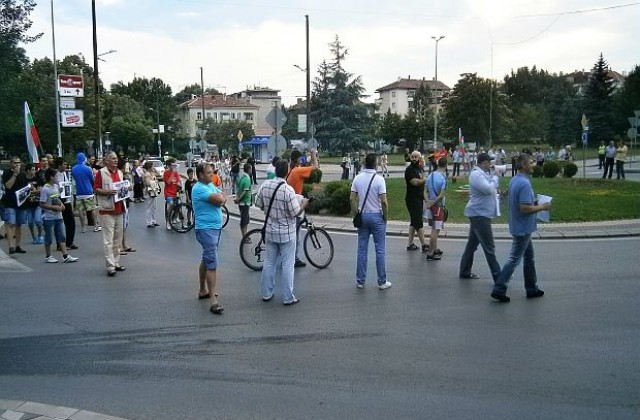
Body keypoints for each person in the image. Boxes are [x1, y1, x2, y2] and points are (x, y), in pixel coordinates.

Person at [491, 154, 551, 303]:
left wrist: (534, 201)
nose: (534, 165)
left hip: (520, 225)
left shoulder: (515, 180)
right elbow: (524, 208)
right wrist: (542, 206)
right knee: (514, 259)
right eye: (531, 162)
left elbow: (521, 202)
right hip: (523, 227)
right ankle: (499, 288)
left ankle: (532, 288)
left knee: (529, 258)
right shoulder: (524, 183)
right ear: (523, 165)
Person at [255, 160, 308, 305]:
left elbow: (257, 203)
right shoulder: (287, 190)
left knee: (269, 262)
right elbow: (295, 213)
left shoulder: (265, 185)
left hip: (270, 231)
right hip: (287, 233)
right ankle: (288, 297)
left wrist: (269, 211)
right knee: (288, 265)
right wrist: (303, 204)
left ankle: (266, 293)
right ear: (287, 172)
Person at [350, 153, 391, 290]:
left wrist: (356, 214)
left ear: (364, 163)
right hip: (376, 216)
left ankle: (360, 281)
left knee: (362, 249)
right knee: (380, 249)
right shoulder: (379, 180)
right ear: (375, 164)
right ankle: (382, 281)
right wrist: (385, 216)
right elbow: (384, 201)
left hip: (363, 216)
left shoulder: (357, 178)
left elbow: (352, 198)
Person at [458, 153, 501, 281]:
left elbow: (490, 186)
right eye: (489, 162)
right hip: (480, 215)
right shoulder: (476, 174)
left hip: (480, 213)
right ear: (483, 163)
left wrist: (493, 176)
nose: (490, 164)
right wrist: (495, 178)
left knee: (472, 245)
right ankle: (499, 277)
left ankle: (464, 271)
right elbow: (488, 189)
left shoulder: (482, 174)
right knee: (489, 247)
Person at [192, 162, 227, 314]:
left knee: (206, 259)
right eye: (208, 173)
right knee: (212, 264)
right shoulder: (199, 188)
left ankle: (202, 290)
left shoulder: (210, 185)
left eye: (212, 172)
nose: (211, 175)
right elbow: (220, 200)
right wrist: (219, 200)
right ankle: (213, 300)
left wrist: (220, 199)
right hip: (206, 229)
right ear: (200, 175)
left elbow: (222, 196)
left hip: (214, 228)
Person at [94, 152, 126, 277]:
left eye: (116, 159)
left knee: (117, 239)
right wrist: (107, 192)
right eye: (112, 158)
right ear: (106, 161)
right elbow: (96, 189)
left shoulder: (119, 172)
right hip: (107, 210)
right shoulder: (101, 173)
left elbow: (121, 187)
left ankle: (116, 262)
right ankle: (110, 266)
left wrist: (126, 189)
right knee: (108, 240)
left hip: (119, 208)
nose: (115, 160)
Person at [286, 148, 319, 267]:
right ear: (298, 159)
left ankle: (285, 254)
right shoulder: (298, 171)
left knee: (291, 230)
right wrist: (314, 154)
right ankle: (294, 258)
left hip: (288, 202)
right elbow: (316, 166)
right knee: (296, 233)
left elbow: (307, 167)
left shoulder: (290, 170)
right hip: (296, 203)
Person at [39, 168, 79, 263]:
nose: (58, 178)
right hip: (48, 217)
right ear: (51, 177)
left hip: (58, 216)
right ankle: (48, 256)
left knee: (61, 236)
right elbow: (42, 203)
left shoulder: (56, 187)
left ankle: (65, 256)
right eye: (56, 176)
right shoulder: (45, 189)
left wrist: (61, 204)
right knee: (48, 237)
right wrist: (54, 207)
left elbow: (56, 198)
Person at [2, 157, 29, 254]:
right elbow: (8, 186)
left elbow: (26, 187)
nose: (17, 164)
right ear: (11, 164)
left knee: (19, 224)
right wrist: (15, 174)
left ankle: (18, 245)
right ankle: (11, 246)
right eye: (15, 163)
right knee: (11, 224)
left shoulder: (23, 174)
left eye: (19, 162)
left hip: (21, 203)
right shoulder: (7, 173)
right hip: (10, 203)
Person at [404, 151, 428, 253]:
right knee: (418, 222)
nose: (414, 158)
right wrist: (426, 179)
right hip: (412, 200)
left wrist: (426, 199)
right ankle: (424, 245)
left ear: (419, 158)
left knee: (414, 222)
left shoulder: (419, 168)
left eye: (416, 157)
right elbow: (415, 182)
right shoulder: (409, 170)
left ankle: (410, 244)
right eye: (412, 157)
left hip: (419, 198)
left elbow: (422, 186)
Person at [71, 152, 100, 234]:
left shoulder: (73, 169)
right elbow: (92, 180)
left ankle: (83, 227)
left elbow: (74, 178)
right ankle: (95, 225)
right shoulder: (88, 169)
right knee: (92, 209)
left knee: (80, 210)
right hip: (88, 191)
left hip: (79, 192)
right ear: (84, 159)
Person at [52, 157, 77, 250]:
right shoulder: (55, 175)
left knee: (70, 222)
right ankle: (59, 244)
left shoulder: (65, 174)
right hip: (59, 200)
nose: (65, 166)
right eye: (64, 164)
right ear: (59, 165)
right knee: (59, 223)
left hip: (66, 200)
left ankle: (69, 242)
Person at [425, 157, 447, 261]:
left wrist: (428, 201)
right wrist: (433, 202)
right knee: (435, 230)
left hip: (429, 206)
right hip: (438, 206)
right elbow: (442, 195)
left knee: (433, 227)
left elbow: (424, 191)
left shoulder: (430, 175)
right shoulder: (443, 178)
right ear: (446, 165)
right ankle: (430, 253)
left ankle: (435, 248)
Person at [24, 163, 44, 244]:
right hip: (28, 204)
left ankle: (40, 236)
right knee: (31, 223)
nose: (34, 171)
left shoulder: (37, 179)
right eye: (32, 169)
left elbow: (40, 190)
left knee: (38, 221)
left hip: (37, 204)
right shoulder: (23, 180)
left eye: (34, 169)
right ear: (28, 171)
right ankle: (34, 237)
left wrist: (32, 189)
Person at [234, 162, 253, 239]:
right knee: (244, 221)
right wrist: (239, 199)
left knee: (246, 220)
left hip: (244, 202)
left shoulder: (242, 178)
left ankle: (245, 235)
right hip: (244, 203)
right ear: (249, 169)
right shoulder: (247, 179)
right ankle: (244, 237)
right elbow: (245, 192)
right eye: (251, 169)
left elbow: (238, 189)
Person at [162, 158, 181, 230]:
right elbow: (168, 182)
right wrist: (172, 173)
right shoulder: (166, 173)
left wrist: (180, 185)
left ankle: (174, 218)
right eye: (173, 165)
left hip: (175, 193)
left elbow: (178, 181)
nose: (174, 167)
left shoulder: (176, 173)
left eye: (175, 165)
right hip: (168, 193)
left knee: (178, 204)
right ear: (170, 166)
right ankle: (168, 221)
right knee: (171, 204)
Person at [142, 161, 160, 228]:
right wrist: (155, 181)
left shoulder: (151, 173)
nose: (153, 167)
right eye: (152, 166)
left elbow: (159, 174)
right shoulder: (147, 174)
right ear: (149, 167)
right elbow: (148, 183)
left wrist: (154, 169)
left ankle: (153, 220)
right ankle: (149, 222)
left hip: (153, 191)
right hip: (149, 192)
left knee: (153, 207)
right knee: (149, 207)